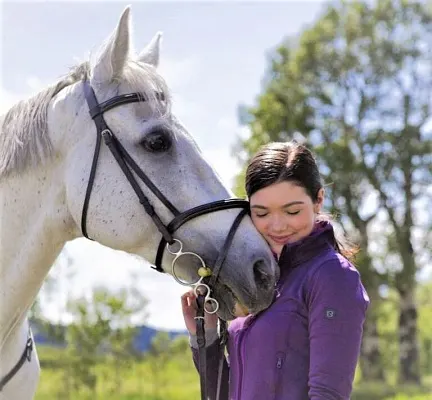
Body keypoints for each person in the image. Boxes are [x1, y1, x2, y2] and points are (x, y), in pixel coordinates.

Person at [181, 141, 370, 400]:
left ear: (318, 200)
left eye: (292, 211)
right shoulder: (258, 281)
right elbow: (226, 393)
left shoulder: (332, 276)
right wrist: (206, 337)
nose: (277, 225)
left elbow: (328, 396)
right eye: (262, 213)